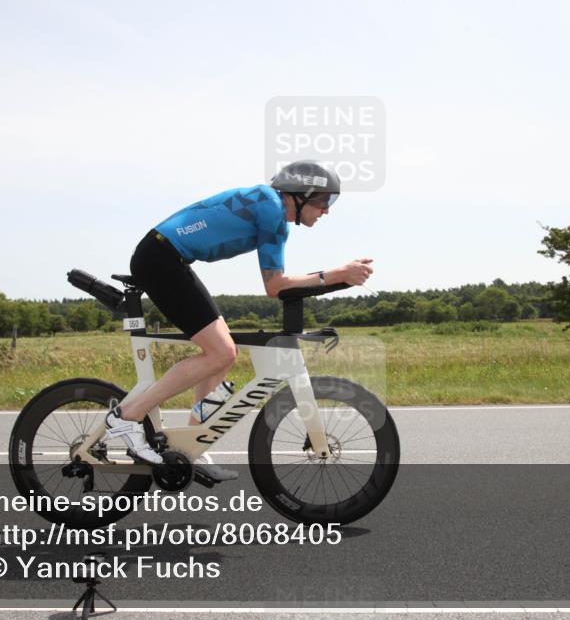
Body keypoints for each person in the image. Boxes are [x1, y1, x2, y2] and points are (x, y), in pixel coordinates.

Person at [104, 160, 374, 481]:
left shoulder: (269, 207)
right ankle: (128, 415)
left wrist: (334, 278)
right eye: (323, 201)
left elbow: (278, 283)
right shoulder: (272, 210)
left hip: (166, 257)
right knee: (221, 352)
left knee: (222, 356)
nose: (326, 210)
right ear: (302, 194)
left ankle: (191, 445)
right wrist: (339, 273)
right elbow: (275, 286)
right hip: (161, 260)